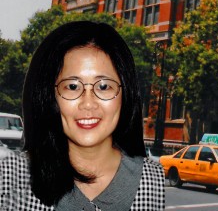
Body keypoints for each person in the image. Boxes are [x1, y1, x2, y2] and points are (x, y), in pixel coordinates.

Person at [0, 20, 165, 210]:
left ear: (125, 94)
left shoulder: (152, 179)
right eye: (72, 86)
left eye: (104, 86)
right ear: (50, 96)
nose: (88, 103)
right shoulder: (11, 176)